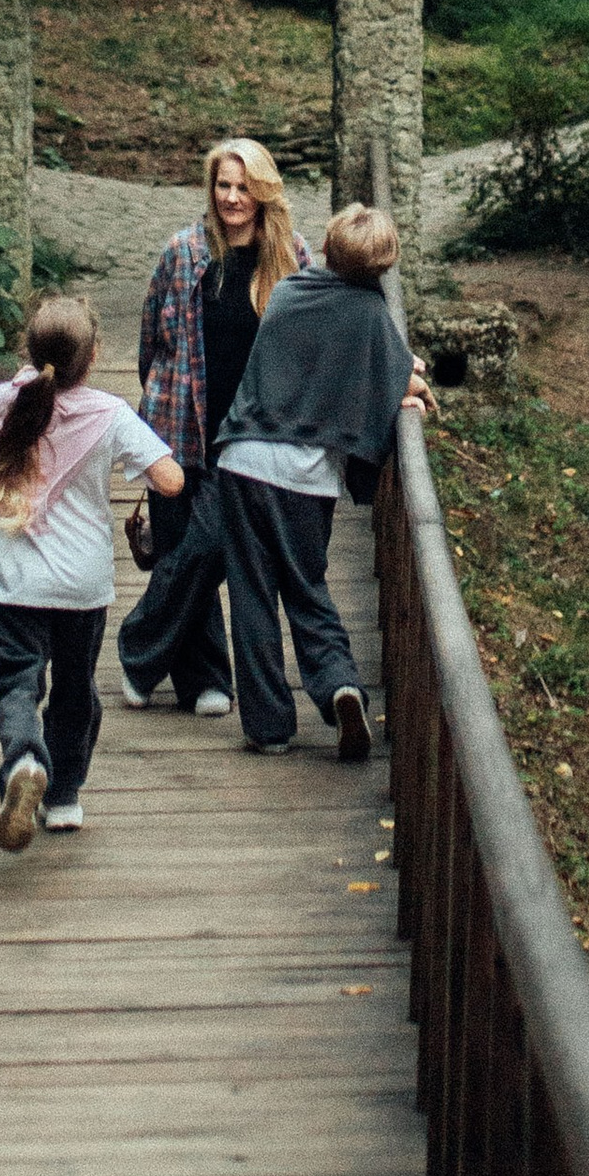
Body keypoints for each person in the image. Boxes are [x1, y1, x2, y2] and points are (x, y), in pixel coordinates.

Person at [0, 295, 182, 854]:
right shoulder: (110, 414)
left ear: (29, 350)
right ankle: (64, 798)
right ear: (93, 358)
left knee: (17, 683)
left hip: (14, 583)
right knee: (74, 688)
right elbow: (170, 481)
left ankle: (23, 761)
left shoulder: (0, 404)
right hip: (82, 586)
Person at [211, 201, 427, 759]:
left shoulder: (286, 293)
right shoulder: (373, 318)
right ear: (383, 266)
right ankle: (339, 685)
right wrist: (412, 391)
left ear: (327, 248)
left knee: (253, 595)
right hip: (306, 478)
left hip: (243, 460)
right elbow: (390, 380)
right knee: (306, 587)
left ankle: (269, 728)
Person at [118, 138, 309, 715]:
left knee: (205, 550)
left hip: (250, 437)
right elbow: (150, 339)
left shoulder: (292, 257)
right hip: (178, 425)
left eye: (243, 186)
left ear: (263, 192)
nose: (231, 197)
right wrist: (161, 399)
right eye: (223, 185)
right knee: (179, 546)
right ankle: (206, 683)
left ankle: (136, 650)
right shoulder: (182, 251)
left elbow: (318, 337)